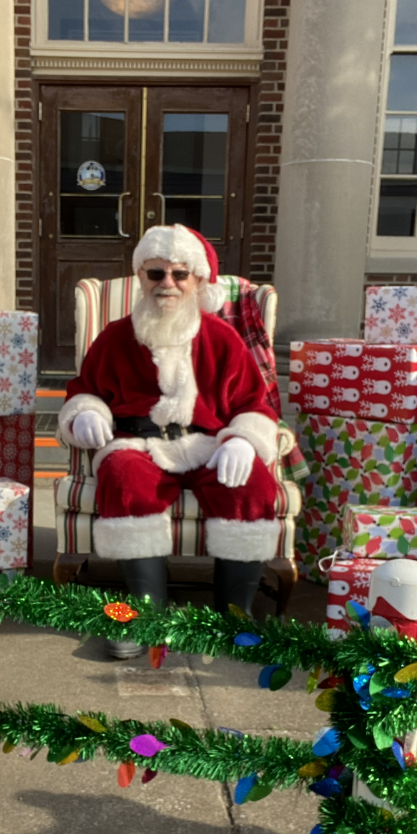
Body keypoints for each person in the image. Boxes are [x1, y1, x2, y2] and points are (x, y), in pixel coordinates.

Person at [57, 224, 281, 657]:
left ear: (197, 280)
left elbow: (254, 402)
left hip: (208, 444)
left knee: (251, 482)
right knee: (122, 476)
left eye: (179, 274)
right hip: (136, 445)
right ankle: (145, 615)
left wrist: (244, 440)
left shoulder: (222, 338)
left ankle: (234, 617)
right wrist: (86, 412)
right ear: (141, 277)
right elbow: (84, 388)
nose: (167, 284)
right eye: (156, 274)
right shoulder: (117, 336)